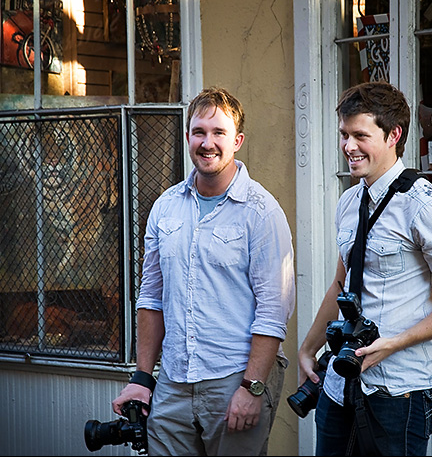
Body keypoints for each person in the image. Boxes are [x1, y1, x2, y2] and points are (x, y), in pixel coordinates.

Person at [297, 81, 432, 456]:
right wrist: (308, 348)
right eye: (344, 135)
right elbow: (341, 283)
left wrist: (392, 345)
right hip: (338, 386)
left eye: (360, 136)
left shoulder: (426, 207)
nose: (349, 147)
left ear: (393, 134)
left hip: (400, 392)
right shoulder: (349, 202)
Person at [112, 87, 296, 456]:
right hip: (173, 385)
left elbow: (273, 312)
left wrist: (252, 387)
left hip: (233, 381)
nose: (207, 143)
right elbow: (150, 298)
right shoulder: (166, 207)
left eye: (219, 133)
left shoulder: (261, 212)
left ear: (237, 141)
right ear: (187, 137)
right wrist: (142, 378)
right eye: (199, 132)